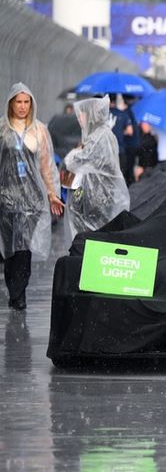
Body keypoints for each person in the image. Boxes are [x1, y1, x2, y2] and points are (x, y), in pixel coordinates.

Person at [1, 83, 64, 311]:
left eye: (26, 102)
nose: (22, 106)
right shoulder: (2, 129)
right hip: (7, 197)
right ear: (11, 103)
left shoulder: (39, 130)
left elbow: (47, 167)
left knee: (23, 246)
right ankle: (13, 287)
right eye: (18, 101)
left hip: (32, 199)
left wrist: (52, 194)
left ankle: (20, 293)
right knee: (9, 248)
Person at [60, 96, 130, 238]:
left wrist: (71, 157)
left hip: (97, 198)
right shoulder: (98, 134)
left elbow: (78, 161)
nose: (79, 117)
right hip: (97, 197)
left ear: (91, 114)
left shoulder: (99, 137)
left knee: (92, 238)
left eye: (82, 113)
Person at [109, 94, 137, 184]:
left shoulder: (102, 115)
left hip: (106, 151)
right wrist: (120, 132)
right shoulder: (123, 114)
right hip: (120, 150)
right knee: (120, 177)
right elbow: (130, 131)